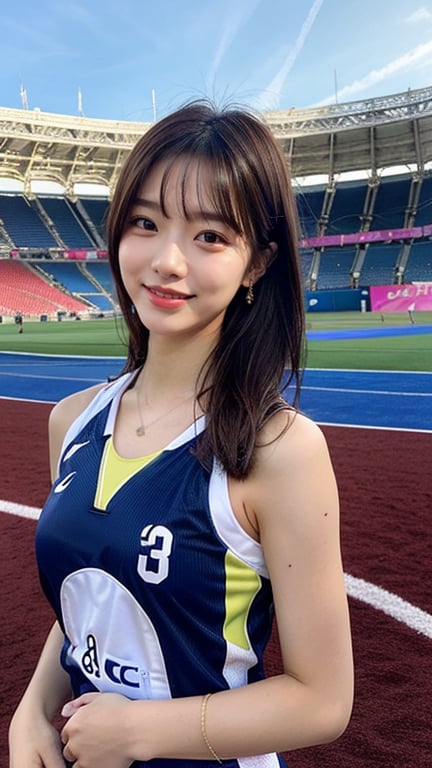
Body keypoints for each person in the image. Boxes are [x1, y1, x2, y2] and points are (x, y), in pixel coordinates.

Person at [9, 101, 353, 768]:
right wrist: (30, 711)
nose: (166, 260)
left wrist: (140, 734)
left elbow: (322, 700)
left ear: (257, 264)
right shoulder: (71, 421)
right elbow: (89, 601)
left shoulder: (280, 449)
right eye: (146, 223)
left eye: (210, 237)